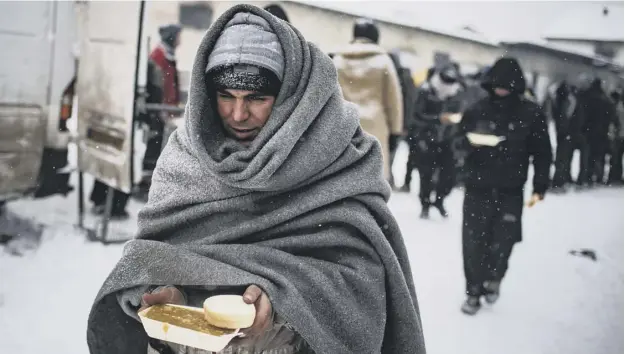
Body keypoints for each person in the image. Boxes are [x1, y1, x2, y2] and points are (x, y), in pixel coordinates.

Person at [86, 5, 425, 354]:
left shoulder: (336, 159)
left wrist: (284, 306)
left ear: (291, 96)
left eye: (257, 98)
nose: (238, 114)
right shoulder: (187, 156)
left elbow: (360, 283)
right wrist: (170, 294)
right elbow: (157, 252)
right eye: (225, 96)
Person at [458, 57, 552, 315]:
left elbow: (542, 152)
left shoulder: (531, 113)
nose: (500, 90)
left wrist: (540, 184)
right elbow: (458, 141)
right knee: (473, 242)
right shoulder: (477, 109)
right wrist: (470, 147)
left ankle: (494, 278)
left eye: (506, 85)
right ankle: (473, 291)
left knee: (503, 241)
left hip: (510, 190)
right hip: (478, 188)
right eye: (496, 85)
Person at [333, 18, 404, 183]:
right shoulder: (384, 61)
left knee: (343, 176)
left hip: (345, 124)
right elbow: (394, 100)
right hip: (375, 126)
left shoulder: (338, 60)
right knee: (372, 178)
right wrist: (395, 131)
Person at [402, 64, 463, 218]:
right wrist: (438, 119)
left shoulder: (457, 93)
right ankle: (425, 204)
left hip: (448, 140)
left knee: (449, 176)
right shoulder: (426, 91)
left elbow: (461, 113)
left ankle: (439, 200)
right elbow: (417, 116)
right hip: (427, 139)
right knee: (426, 175)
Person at [134, 24, 182, 201]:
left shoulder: (167, 55)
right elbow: (158, 85)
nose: (180, 40)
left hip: (164, 110)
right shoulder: (158, 56)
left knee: (159, 146)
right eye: (178, 36)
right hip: (158, 111)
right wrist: (162, 107)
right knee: (153, 147)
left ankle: (150, 184)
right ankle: (144, 185)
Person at [550, 81, 588, 192]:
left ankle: (560, 180)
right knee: (564, 158)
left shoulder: (561, 100)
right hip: (569, 134)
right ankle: (561, 180)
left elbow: (561, 118)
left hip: (564, 134)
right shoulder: (571, 101)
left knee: (562, 157)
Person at [579, 78, 616, 186]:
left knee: (587, 155)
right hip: (601, 132)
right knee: (598, 155)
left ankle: (586, 176)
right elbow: (610, 115)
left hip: (588, 131)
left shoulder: (588, 97)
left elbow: (584, 114)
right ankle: (597, 176)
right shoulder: (605, 99)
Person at [388, 50, 416, 188]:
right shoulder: (402, 76)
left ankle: (389, 178)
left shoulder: (403, 77)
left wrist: (405, 124)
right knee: (389, 151)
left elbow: (409, 102)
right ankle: (389, 178)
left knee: (391, 151)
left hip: (397, 121)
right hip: (393, 120)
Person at [607, 89, 624, 185]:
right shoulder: (620, 108)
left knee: (615, 158)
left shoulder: (617, 108)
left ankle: (613, 177)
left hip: (618, 137)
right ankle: (617, 176)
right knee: (618, 158)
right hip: (621, 136)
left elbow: (615, 123)